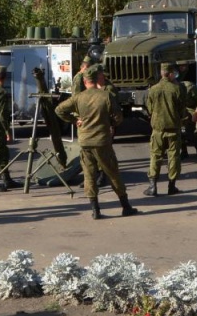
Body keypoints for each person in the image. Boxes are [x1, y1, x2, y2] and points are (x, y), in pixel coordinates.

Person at [55, 65, 139, 219]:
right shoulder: (106, 96)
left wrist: (75, 120)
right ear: (96, 79)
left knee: (89, 175)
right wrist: (110, 123)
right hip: (102, 141)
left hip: (85, 142)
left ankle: (95, 210)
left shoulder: (79, 97)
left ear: (85, 81)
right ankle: (126, 206)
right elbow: (118, 118)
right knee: (113, 173)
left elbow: (59, 110)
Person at [144, 62, 188, 196]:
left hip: (157, 129)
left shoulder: (153, 89)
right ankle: (171, 186)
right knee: (174, 156)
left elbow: (150, 109)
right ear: (170, 74)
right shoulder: (177, 88)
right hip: (173, 127)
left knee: (155, 156)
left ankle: (153, 186)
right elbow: (182, 109)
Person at [177, 60, 197, 159]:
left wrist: (196, 112)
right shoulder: (173, 89)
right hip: (185, 109)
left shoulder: (189, 87)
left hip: (195, 108)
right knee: (181, 131)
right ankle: (184, 151)